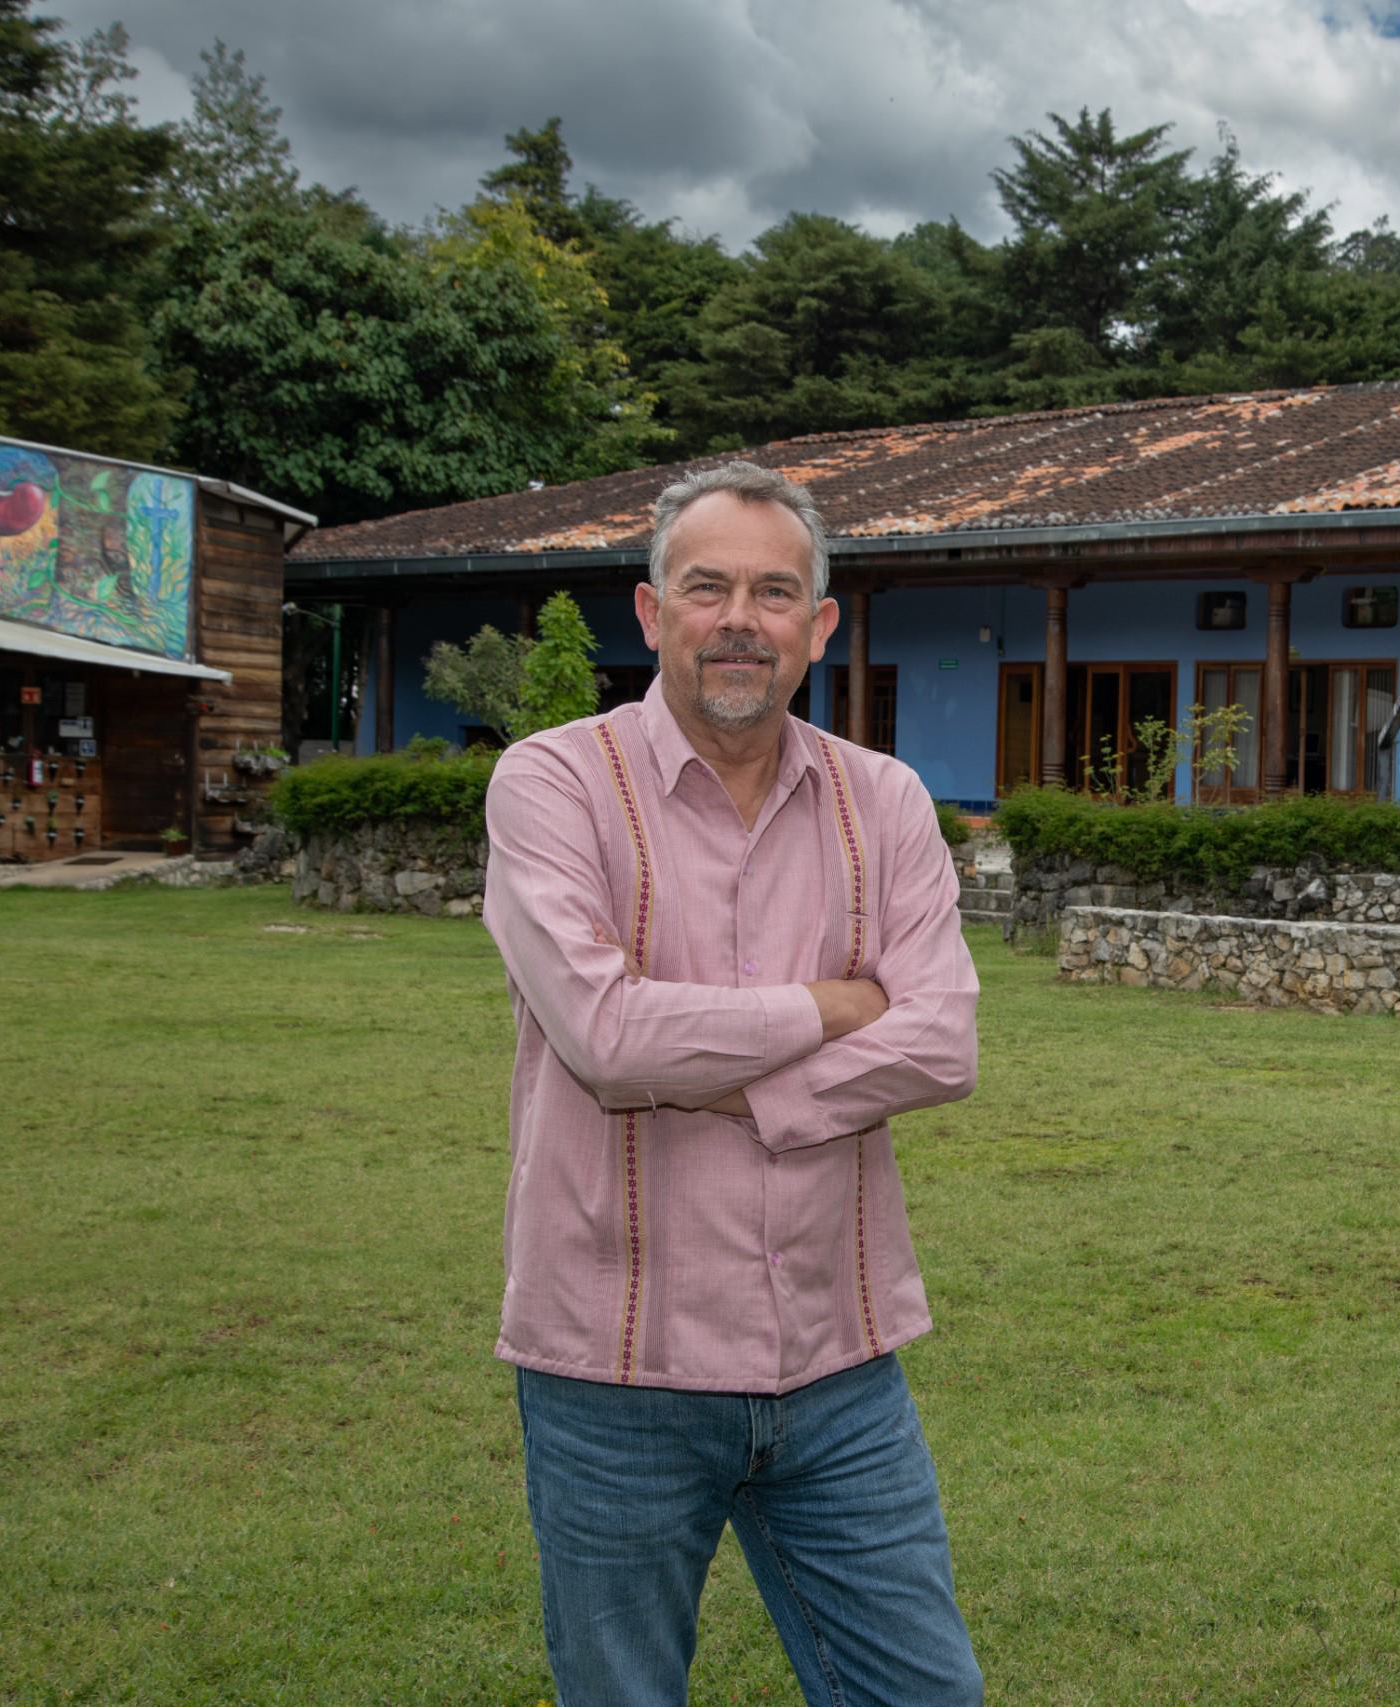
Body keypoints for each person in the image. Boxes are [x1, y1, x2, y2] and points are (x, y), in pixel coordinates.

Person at [481, 460, 983, 1707]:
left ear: (818, 626)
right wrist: (829, 1008)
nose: (739, 619)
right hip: (615, 1366)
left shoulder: (889, 801)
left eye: (774, 592)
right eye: (706, 587)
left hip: (839, 1359)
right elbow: (602, 1035)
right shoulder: (551, 784)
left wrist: (736, 1089)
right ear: (652, 614)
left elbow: (942, 1043)